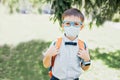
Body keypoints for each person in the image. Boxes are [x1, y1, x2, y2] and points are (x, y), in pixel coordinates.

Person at [43, 8, 91, 80]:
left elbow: (85, 68)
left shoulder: (82, 46)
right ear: (63, 25)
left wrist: (87, 59)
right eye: (68, 23)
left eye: (76, 24)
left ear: (81, 27)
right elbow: (46, 65)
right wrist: (48, 55)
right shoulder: (56, 43)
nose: (72, 27)